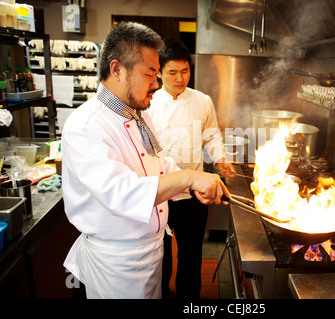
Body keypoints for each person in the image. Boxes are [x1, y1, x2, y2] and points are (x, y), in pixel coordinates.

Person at [61, 22, 230, 299]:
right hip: (117, 264)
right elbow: (122, 193)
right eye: (150, 74)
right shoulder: (86, 125)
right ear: (117, 69)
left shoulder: (138, 113)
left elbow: (161, 163)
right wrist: (189, 177)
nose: (156, 83)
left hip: (149, 252)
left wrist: (193, 186)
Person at [148, 39, 235, 299]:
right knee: (159, 256)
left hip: (194, 194)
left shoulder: (202, 101)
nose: (179, 78)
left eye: (185, 71)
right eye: (172, 72)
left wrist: (221, 157)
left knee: (191, 254)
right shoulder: (147, 103)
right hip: (160, 191)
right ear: (160, 72)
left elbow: (211, 135)